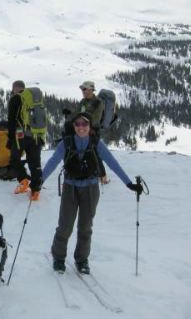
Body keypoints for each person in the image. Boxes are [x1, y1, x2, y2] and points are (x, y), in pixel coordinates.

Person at [42, 112, 142, 274]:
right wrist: (39, 182)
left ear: (89, 127)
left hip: (90, 189)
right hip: (70, 188)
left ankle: (82, 259)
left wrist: (128, 183)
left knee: (85, 226)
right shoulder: (66, 143)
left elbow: (112, 162)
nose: (81, 127)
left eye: (84, 124)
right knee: (65, 226)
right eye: (78, 124)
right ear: (73, 127)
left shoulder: (96, 143)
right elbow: (53, 162)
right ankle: (59, 258)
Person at [7, 80, 43, 201]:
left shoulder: (15, 99)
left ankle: (24, 180)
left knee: (14, 158)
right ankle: (36, 191)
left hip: (20, 136)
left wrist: (10, 139)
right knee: (35, 162)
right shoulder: (34, 100)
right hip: (36, 135)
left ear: (14, 88)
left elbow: (11, 120)